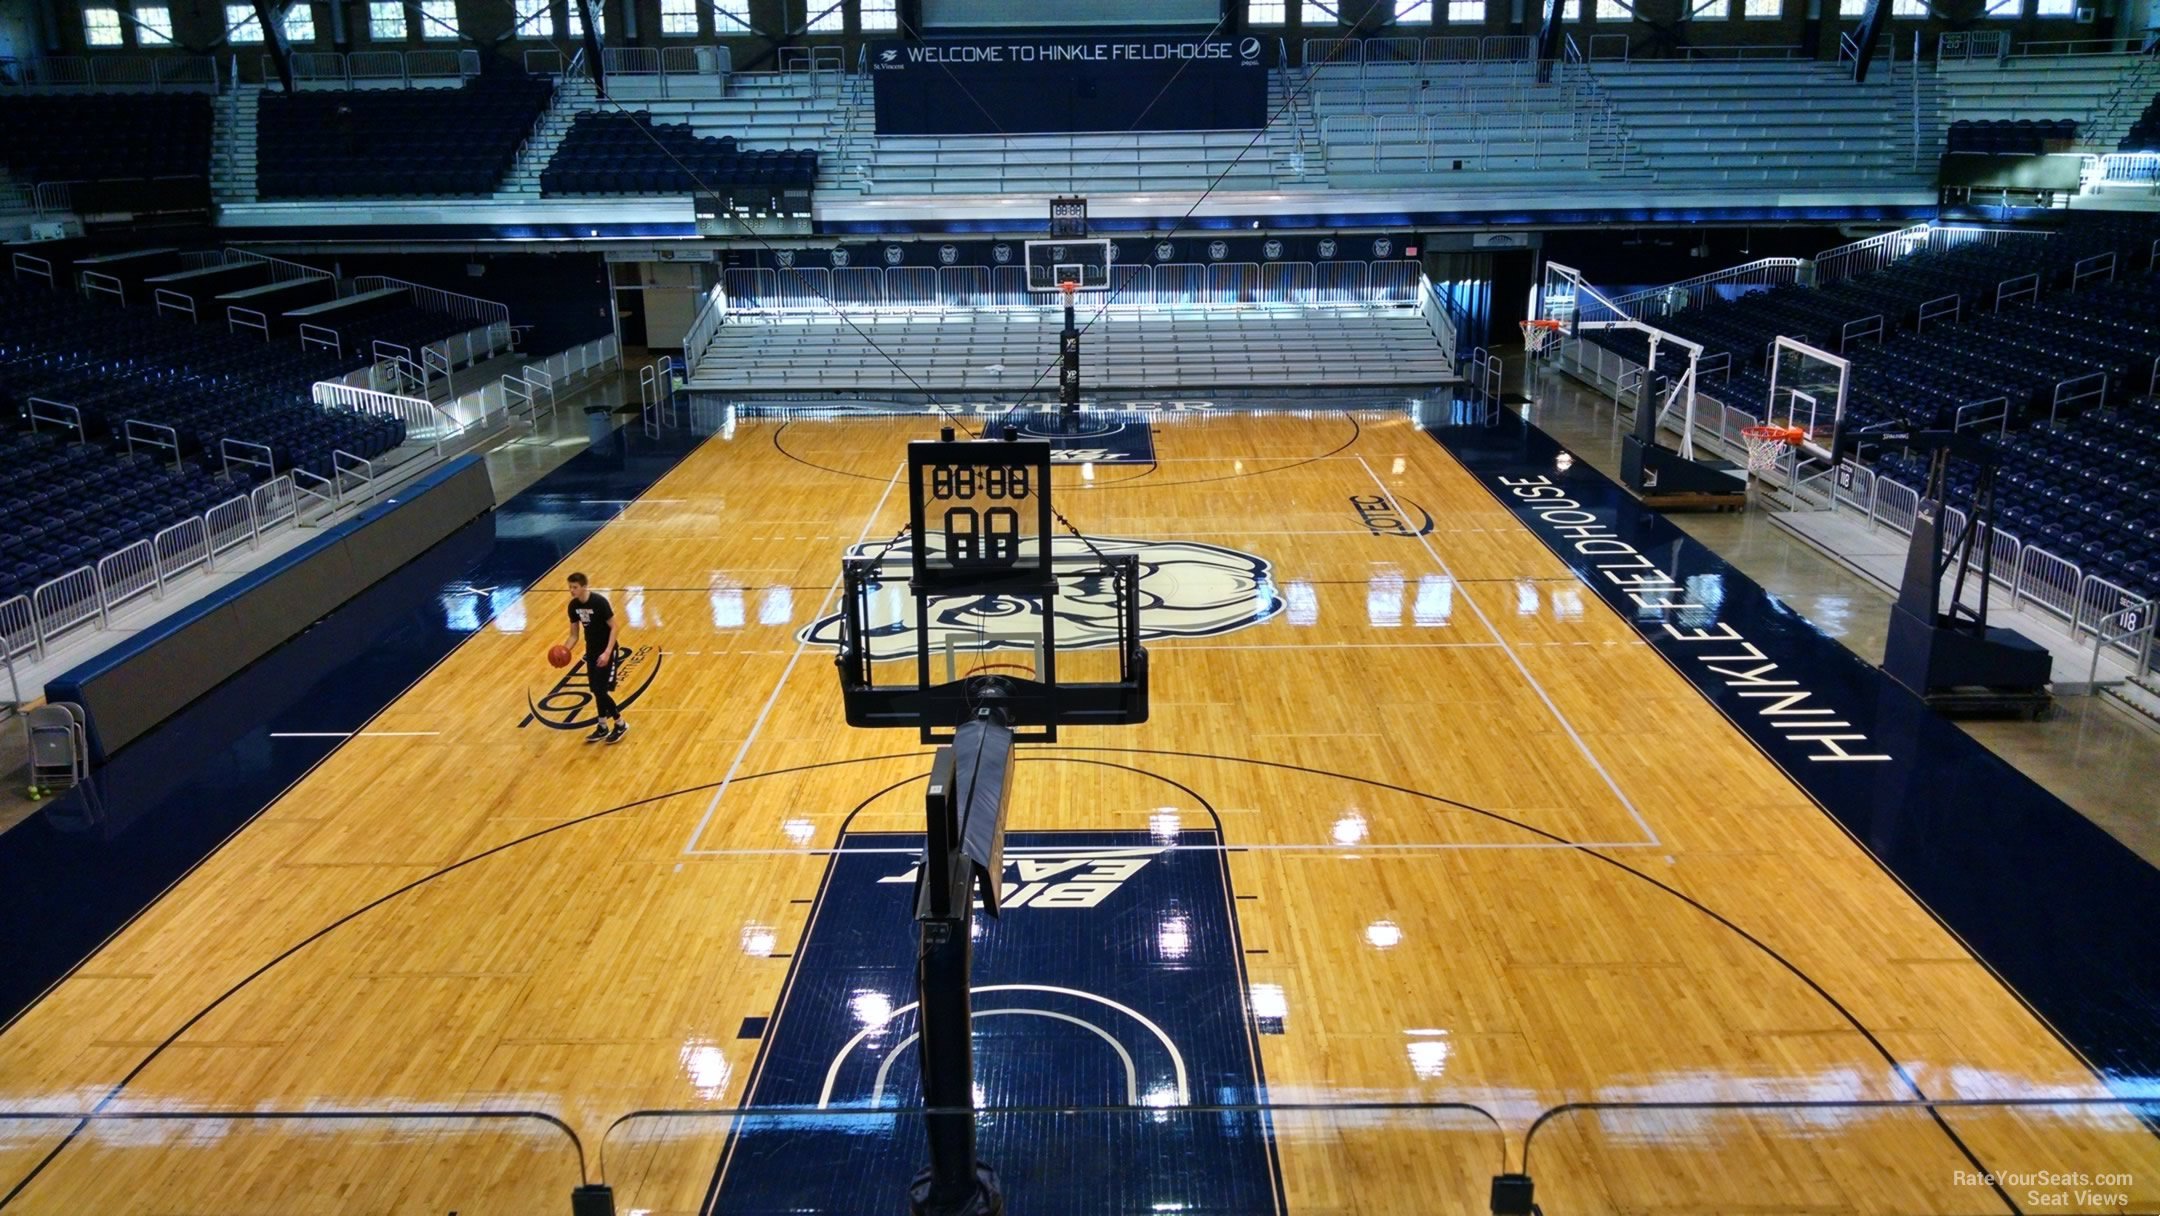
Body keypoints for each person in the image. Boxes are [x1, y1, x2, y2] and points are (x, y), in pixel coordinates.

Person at [564, 572, 627, 743]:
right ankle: (602, 726)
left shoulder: (599, 602)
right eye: (570, 587)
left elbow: (614, 627)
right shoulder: (573, 606)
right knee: (595, 690)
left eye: (575, 587)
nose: (571, 590)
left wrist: (607, 652)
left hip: (606, 650)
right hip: (591, 651)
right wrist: (564, 651)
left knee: (600, 690)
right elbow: (573, 635)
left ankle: (620, 723)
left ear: (584, 586)